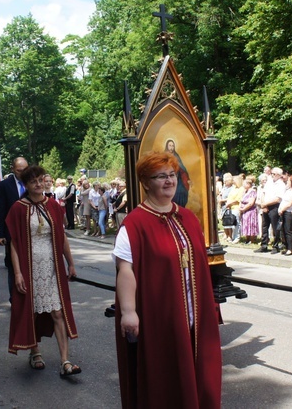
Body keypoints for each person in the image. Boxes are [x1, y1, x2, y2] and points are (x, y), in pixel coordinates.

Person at [113, 151, 222, 408]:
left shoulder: (188, 218)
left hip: (195, 316)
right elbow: (125, 270)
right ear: (145, 182)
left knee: (200, 375)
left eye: (172, 175)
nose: (169, 181)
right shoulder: (134, 224)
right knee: (165, 380)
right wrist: (129, 312)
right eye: (161, 176)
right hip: (160, 319)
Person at [6, 165, 80, 376]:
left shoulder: (54, 206)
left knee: (57, 311)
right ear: (26, 185)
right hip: (29, 268)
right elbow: (14, 243)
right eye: (33, 182)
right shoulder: (18, 208)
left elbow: (62, 237)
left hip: (52, 266)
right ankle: (35, 352)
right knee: (33, 312)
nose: (38, 184)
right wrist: (18, 272)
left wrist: (71, 262)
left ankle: (65, 361)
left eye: (40, 180)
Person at [0, 157, 29, 299]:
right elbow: (1, 210)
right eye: (19, 170)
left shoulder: (32, 182)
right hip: (12, 231)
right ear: (13, 169)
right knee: (13, 265)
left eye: (25, 170)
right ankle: (14, 297)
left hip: (30, 229)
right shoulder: (4, 185)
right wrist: (0, 234)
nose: (22, 173)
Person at [256, 167, 285, 253]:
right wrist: (263, 205)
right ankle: (264, 245)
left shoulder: (281, 184)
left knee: (275, 227)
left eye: (274, 174)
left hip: (274, 206)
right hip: (265, 205)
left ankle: (275, 246)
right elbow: (263, 193)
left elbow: (278, 199)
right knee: (264, 226)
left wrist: (266, 204)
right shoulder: (269, 182)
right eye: (271, 173)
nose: (272, 175)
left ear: (279, 175)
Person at [165, 139, 191, 207]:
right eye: (170, 145)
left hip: (178, 179)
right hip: (168, 179)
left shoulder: (176, 156)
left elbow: (182, 169)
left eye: (172, 146)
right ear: (167, 146)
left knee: (183, 191)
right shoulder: (164, 156)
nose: (171, 147)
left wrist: (187, 179)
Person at [278, 175, 292, 255]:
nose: (287, 182)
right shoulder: (288, 190)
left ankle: (290, 248)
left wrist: (282, 209)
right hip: (283, 212)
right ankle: (286, 246)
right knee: (283, 230)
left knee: (288, 230)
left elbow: (290, 203)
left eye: (289, 181)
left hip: (288, 212)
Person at [239, 178, 259, 244]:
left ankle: (252, 239)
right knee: (246, 224)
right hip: (244, 211)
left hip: (250, 211)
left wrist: (244, 208)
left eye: (244, 184)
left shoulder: (252, 191)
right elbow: (241, 200)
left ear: (248, 184)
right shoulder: (245, 191)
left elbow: (251, 203)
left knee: (251, 224)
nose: (243, 185)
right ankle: (247, 239)